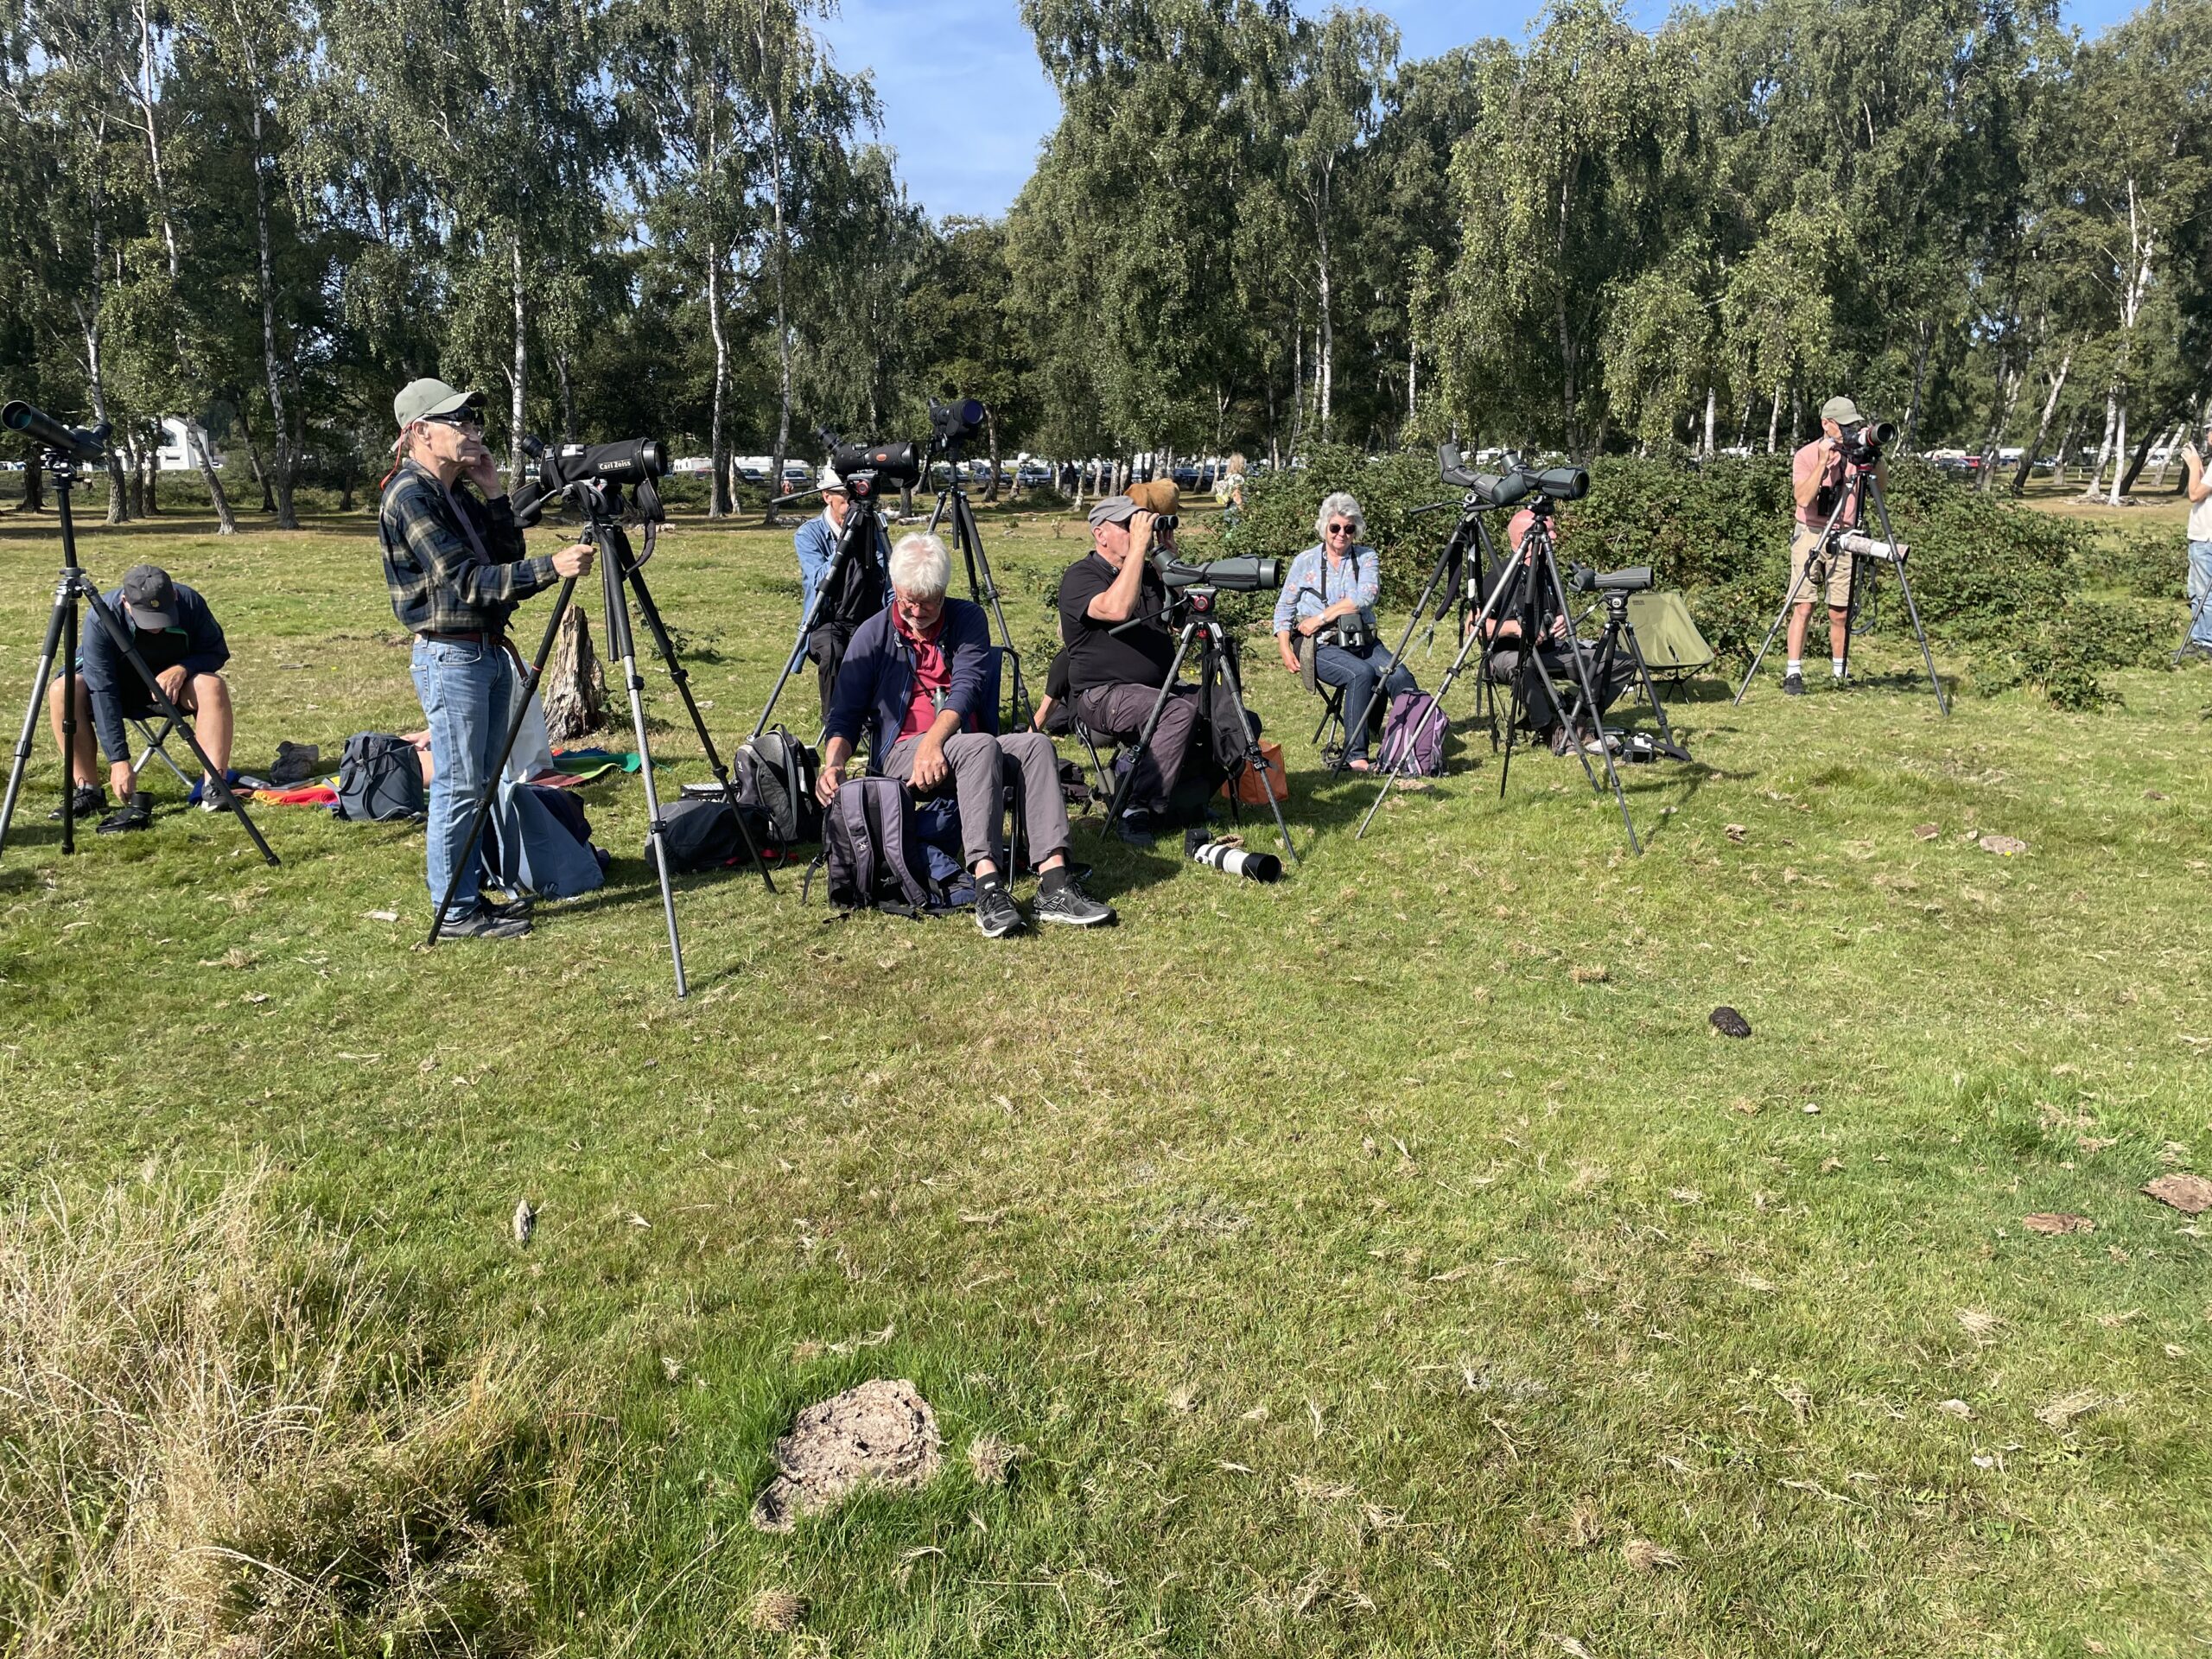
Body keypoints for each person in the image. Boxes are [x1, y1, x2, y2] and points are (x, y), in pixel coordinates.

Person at [379, 377, 595, 941]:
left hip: (486, 650)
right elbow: (470, 581)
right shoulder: (410, 495)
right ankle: (454, 913)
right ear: (420, 431)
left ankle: (471, 896)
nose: (472, 430)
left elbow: (505, 558)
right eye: (459, 421)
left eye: (473, 420)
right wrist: (554, 567)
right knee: (457, 786)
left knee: (479, 782)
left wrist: (496, 494)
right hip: (452, 656)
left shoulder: (455, 493)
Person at [816, 533, 1114, 936]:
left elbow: (967, 687)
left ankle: (1055, 882)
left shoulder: (968, 618)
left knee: (1035, 744)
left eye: (928, 602)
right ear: (895, 588)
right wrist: (833, 763)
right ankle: (988, 885)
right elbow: (845, 713)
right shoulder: (872, 634)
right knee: (980, 746)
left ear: (944, 591)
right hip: (902, 751)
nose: (917, 611)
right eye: (908, 601)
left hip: (961, 744)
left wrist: (934, 742)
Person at [1056, 480, 1229, 845]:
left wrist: (1169, 562)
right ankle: (1137, 808)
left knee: (1231, 712)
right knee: (1175, 712)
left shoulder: (1149, 575)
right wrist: (1138, 551)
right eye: (1128, 526)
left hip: (1158, 688)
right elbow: (1116, 609)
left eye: (1141, 523)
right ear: (1100, 534)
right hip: (1102, 695)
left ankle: (1190, 798)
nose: (1139, 532)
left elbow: (1186, 619)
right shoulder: (1080, 576)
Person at [44, 563, 233, 833]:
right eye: (146, 618)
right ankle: (88, 791)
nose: (155, 628)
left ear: (174, 598)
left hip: (172, 692)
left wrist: (183, 668)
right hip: (116, 688)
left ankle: (215, 785)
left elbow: (216, 651)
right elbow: (102, 690)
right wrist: (118, 760)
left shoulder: (190, 602)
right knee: (63, 689)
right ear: (126, 602)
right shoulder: (101, 616)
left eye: (162, 616)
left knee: (211, 684)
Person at [1273, 491, 1416, 770]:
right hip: (1318, 644)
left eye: (1349, 529)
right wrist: (1284, 647)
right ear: (1324, 527)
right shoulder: (1305, 561)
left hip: (1361, 639)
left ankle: (1411, 744)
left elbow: (1365, 597)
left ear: (1356, 531)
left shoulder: (1366, 557)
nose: (1342, 534)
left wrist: (1320, 617)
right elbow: (1284, 607)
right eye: (1335, 527)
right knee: (1360, 673)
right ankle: (1356, 756)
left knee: (1399, 675)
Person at [1473, 507, 1632, 756]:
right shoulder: (1499, 575)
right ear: (1525, 536)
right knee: (1523, 665)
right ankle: (1549, 730)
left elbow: (1557, 610)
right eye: (1549, 531)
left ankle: (1576, 718)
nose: (1555, 537)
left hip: (1550, 651)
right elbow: (1475, 625)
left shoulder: (1546, 571)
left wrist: (1561, 620)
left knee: (1620, 662)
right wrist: (1515, 628)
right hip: (1507, 656)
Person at [1783, 394, 1886, 695]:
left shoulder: (1857, 456)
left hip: (1845, 535)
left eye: (1852, 425)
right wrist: (1822, 463)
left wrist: (1874, 456)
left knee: (1840, 611)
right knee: (1804, 605)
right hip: (1811, 532)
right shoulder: (1806, 455)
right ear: (1826, 424)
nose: (1848, 431)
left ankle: (1839, 672)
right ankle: (1793, 673)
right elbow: (1803, 498)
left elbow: (1881, 487)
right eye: (1843, 425)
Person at [792, 463, 888, 723]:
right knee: (834, 651)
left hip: (866, 616)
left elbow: (888, 578)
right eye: (845, 495)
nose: (851, 502)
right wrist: (846, 542)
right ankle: (835, 725)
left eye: (854, 495)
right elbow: (818, 579)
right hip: (826, 621)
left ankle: (876, 721)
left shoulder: (871, 530)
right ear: (827, 496)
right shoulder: (809, 534)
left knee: (877, 652)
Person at [2180, 418, 2212, 663]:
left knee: (2204, 594)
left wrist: (2192, 466)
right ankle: (2201, 638)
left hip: (2205, 538)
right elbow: (2204, 489)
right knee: (2197, 591)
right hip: (2201, 537)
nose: (2209, 435)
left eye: (2211, 430)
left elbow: (2194, 494)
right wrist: (2199, 464)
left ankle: (2205, 642)